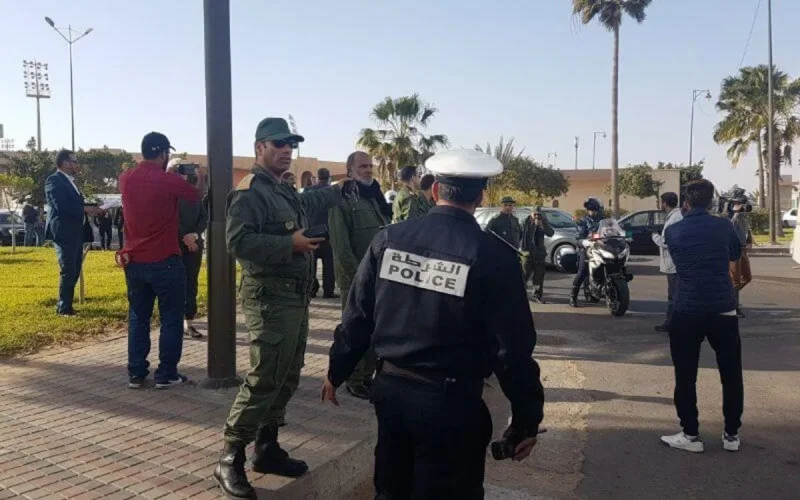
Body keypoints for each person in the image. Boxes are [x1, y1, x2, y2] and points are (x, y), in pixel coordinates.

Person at [322, 149, 545, 499]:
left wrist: (337, 370)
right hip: (452, 405)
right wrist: (526, 418)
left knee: (392, 489)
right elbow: (512, 349)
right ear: (481, 196)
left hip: (392, 394)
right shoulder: (494, 256)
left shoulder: (388, 240)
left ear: (436, 191)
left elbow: (359, 315)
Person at [214, 117, 352, 499]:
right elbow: (237, 243)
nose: (286, 150)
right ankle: (230, 456)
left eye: (290, 144)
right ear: (260, 148)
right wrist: (288, 245)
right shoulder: (249, 192)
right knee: (264, 376)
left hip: (294, 296)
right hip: (269, 297)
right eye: (279, 144)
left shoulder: (284, 189)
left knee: (288, 373)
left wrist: (341, 188)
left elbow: (308, 205)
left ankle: (267, 447)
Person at [117, 132, 206, 391]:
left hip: (134, 261)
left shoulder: (126, 178)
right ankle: (166, 373)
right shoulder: (168, 181)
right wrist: (198, 176)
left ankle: (136, 372)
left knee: (138, 317)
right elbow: (195, 195)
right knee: (170, 317)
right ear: (164, 153)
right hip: (165, 260)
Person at [660, 179, 744, 454]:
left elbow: (679, 261)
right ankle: (731, 434)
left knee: (685, 375)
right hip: (723, 308)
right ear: (712, 203)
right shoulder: (724, 225)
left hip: (686, 309)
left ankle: (691, 434)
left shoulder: (674, 231)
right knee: (730, 373)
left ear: (686, 203)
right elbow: (734, 253)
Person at [328, 151, 391, 400]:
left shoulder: (374, 197)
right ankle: (354, 379)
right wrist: (358, 279)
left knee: (376, 328)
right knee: (355, 328)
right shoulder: (341, 201)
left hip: (379, 276)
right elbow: (341, 247)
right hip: (355, 278)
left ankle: (367, 375)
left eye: (370, 166)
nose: (368, 170)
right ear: (350, 170)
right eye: (363, 166)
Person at [45, 149, 104, 316]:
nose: (77, 165)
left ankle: (67, 305)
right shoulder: (54, 180)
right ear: (65, 163)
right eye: (75, 161)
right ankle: (63, 308)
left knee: (75, 268)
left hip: (76, 231)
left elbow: (75, 204)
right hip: (63, 232)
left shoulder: (71, 182)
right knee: (68, 268)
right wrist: (86, 208)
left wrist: (94, 207)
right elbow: (61, 206)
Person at [175, 161, 208, 339]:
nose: (182, 174)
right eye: (178, 170)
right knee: (175, 283)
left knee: (191, 283)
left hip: (194, 246)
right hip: (174, 245)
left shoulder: (193, 194)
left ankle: (189, 323)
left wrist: (194, 236)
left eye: (184, 171)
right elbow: (171, 218)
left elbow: (204, 217)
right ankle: (175, 321)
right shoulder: (169, 194)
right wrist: (185, 238)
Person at [651, 192, 683, 332]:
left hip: (673, 264)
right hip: (675, 263)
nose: (659, 204)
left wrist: (654, 236)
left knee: (674, 296)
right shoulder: (675, 216)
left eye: (660, 201)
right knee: (676, 295)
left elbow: (666, 242)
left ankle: (671, 323)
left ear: (665, 203)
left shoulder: (675, 218)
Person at [305, 168, 338, 299]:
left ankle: (312, 289)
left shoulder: (308, 191)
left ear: (317, 177)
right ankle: (328, 291)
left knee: (311, 264)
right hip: (328, 232)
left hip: (311, 232)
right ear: (329, 177)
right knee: (329, 264)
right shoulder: (333, 191)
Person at [570, 197, 604, 307]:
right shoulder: (584, 221)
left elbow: (612, 229)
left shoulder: (603, 220)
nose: (592, 211)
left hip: (601, 248)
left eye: (594, 209)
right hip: (586, 248)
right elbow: (578, 238)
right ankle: (573, 297)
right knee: (582, 271)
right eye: (590, 209)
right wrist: (584, 241)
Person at [521, 207, 555, 304]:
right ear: (531, 213)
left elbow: (551, 233)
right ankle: (520, 294)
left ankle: (537, 295)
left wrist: (542, 226)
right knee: (524, 275)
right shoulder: (525, 222)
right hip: (527, 253)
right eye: (535, 214)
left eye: (538, 214)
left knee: (539, 276)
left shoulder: (543, 221)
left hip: (539, 253)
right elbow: (518, 234)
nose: (537, 216)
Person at [729, 198, 752, 318]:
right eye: (739, 204)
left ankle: (728, 295)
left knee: (747, 277)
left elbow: (748, 233)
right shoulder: (733, 218)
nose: (743, 207)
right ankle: (734, 306)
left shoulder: (744, 218)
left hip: (743, 251)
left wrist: (749, 243)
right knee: (735, 281)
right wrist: (736, 211)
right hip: (734, 252)